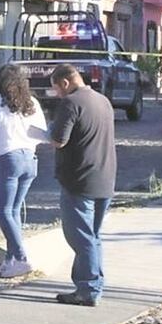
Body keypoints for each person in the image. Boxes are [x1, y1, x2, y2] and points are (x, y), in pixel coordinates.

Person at [47, 63, 117, 306]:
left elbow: (59, 140)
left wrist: (47, 132)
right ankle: (93, 284)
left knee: (81, 237)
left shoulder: (71, 103)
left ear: (65, 82)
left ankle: (88, 289)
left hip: (79, 179)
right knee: (93, 236)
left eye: (57, 88)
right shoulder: (103, 101)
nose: (57, 94)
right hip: (104, 176)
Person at [0, 64, 48, 278]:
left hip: (8, 158)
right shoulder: (32, 102)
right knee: (14, 210)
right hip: (30, 158)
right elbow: (42, 133)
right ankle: (10, 259)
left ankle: (21, 257)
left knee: (3, 211)